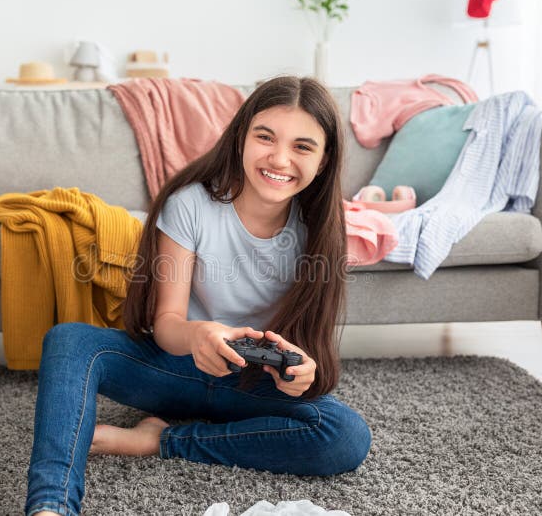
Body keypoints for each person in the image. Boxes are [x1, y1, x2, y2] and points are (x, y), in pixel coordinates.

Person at [25, 76, 372, 516]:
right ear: (241, 138)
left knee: (346, 435)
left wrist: (301, 372)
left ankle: (160, 441)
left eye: (303, 147)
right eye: (265, 137)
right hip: (174, 368)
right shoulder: (191, 204)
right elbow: (166, 325)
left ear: (323, 162)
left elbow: (311, 352)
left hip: (249, 383)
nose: (280, 158)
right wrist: (198, 335)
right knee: (70, 342)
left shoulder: (318, 230)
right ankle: (50, 506)